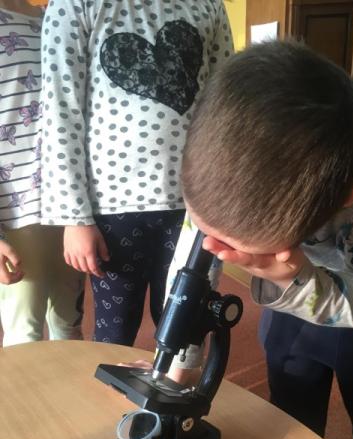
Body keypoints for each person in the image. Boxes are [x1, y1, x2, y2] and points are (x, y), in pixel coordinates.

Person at [177, 40, 353, 439]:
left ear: (342, 200)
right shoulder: (215, 165)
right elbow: (191, 270)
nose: (220, 247)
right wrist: (180, 363)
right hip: (289, 298)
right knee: (291, 414)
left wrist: (289, 277)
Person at [40, 0, 233, 346]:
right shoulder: (75, 4)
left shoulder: (207, 6)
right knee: (114, 334)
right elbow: (60, 109)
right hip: (112, 208)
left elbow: (225, 103)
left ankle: (176, 382)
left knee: (185, 332)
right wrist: (74, 217)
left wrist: (225, 198)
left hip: (195, 205)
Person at [0, 0, 84, 346]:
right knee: (25, 335)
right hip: (15, 211)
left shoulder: (61, 16)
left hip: (69, 204)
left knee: (69, 325)